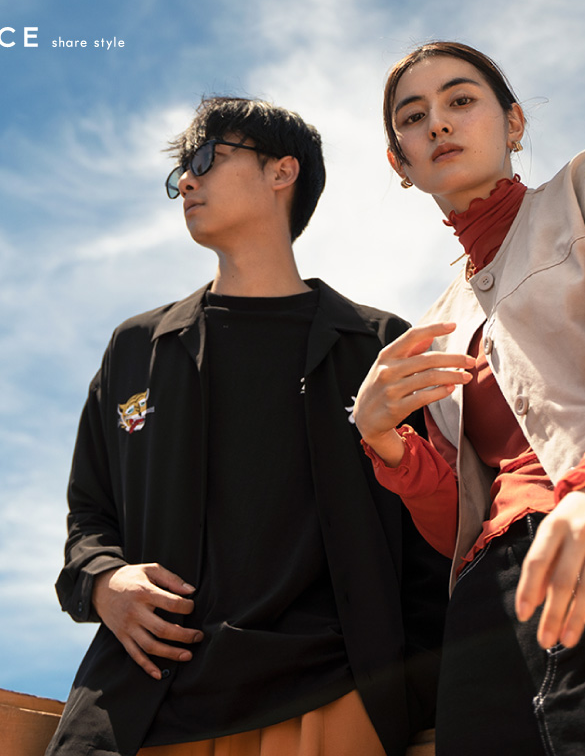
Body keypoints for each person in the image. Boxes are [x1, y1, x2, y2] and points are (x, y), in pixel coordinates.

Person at [45, 96, 449, 756]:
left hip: (328, 698)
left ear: (282, 171)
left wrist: (420, 707)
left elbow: (430, 544)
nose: (187, 181)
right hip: (147, 697)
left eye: (206, 158)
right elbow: (90, 515)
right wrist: (103, 582)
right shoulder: (136, 349)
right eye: (181, 170)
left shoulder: (377, 347)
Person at [353, 41, 585, 756]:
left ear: (514, 123)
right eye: (413, 118)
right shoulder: (441, 320)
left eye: (460, 100)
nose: (438, 123)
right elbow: (459, 518)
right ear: (400, 164)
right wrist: (384, 441)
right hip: (487, 608)